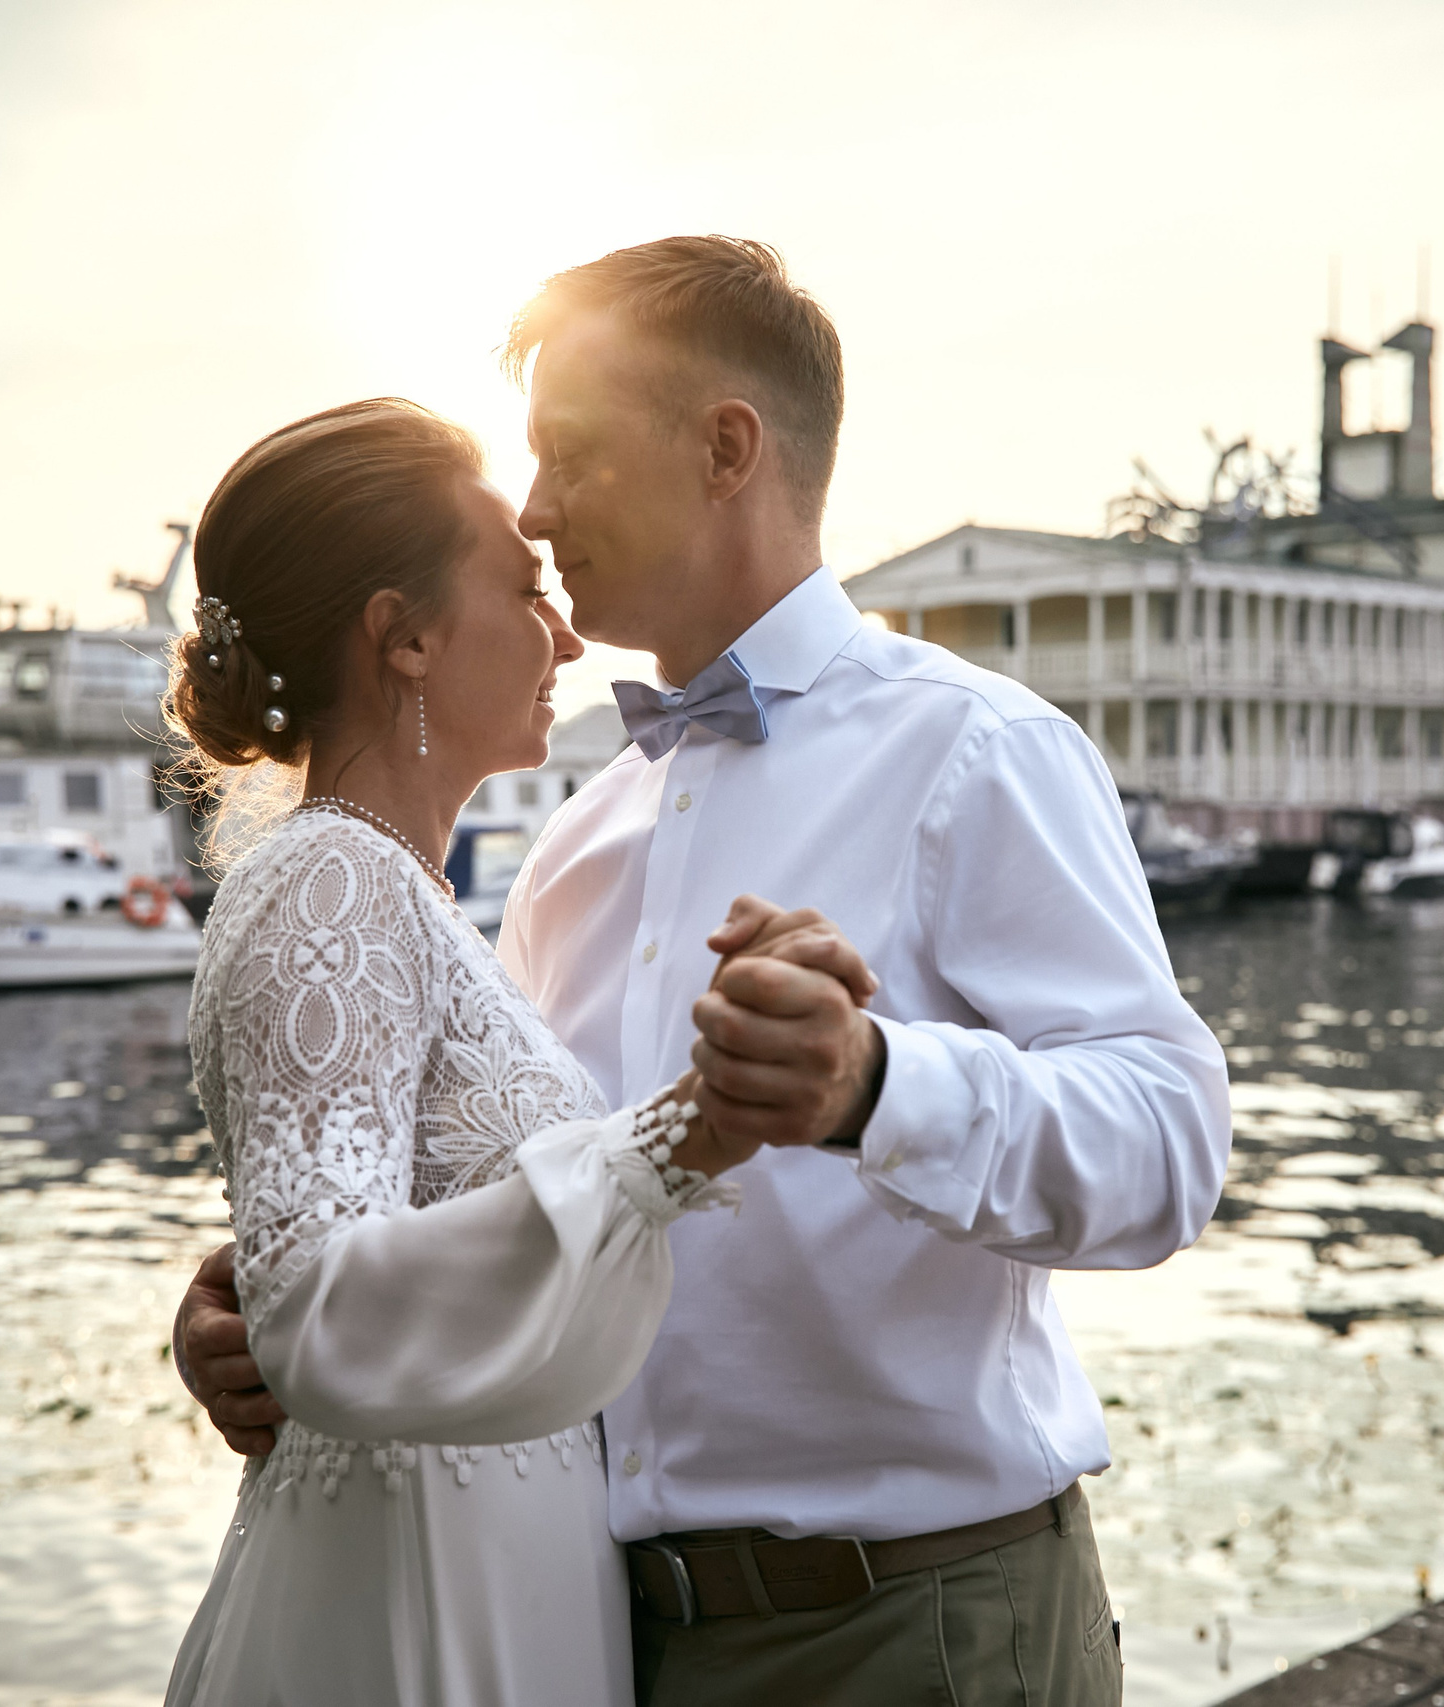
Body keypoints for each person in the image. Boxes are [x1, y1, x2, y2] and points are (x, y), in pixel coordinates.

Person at [177, 238, 1232, 1705]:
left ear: (725, 447)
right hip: (608, 1634)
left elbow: (1170, 1145)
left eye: (569, 458)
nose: (535, 515)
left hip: (909, 1624)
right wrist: (264, 1318)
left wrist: (877, 1084)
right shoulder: (571, 842)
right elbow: (497, 1212)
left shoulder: (973, 752)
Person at [155, 395, 874, 1706]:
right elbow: (319, 1299)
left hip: (496, 1542)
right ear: (405, 637)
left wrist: (232, 1284)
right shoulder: (335, 885)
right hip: (414, 1584)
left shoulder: (405, 896)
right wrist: (684, 1137)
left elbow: (345, 1228)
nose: (563, 634)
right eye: (523, 591)